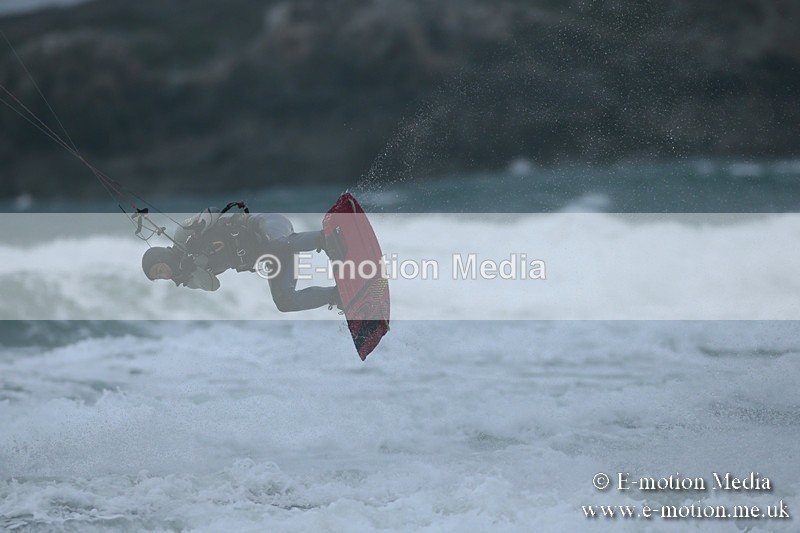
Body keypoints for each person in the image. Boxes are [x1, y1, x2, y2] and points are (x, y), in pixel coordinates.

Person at [141, 207, 340, 312]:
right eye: (159, 277)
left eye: (159, 270)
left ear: (162, 257)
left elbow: (213, 211)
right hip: (271, 258)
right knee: (284, 302)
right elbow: (212, 286)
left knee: (276, 244)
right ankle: (339, 296)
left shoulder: (181, 236)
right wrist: (194, 268)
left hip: (265, 226)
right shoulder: (188, 279)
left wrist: (199, 230)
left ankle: (331, 238)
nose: (164, 276)